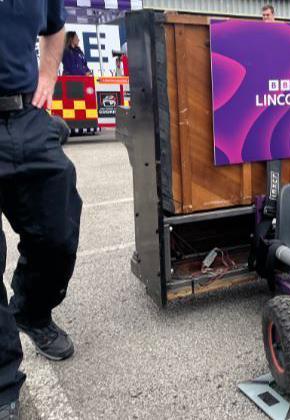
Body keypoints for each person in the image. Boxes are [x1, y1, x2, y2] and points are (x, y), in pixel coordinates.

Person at [0, 1, 83, 419]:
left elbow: (54, 25)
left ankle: (32, 311)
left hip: (26, 117)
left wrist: (48, 75)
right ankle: (4, 384)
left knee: (58, 230)